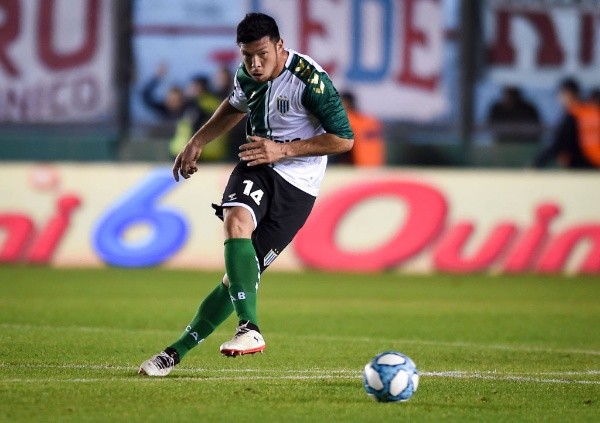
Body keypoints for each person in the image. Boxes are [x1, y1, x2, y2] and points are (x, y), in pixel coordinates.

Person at [138, 12, 354, 376]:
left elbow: (344, 140)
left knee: (239, 276)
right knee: (235, 219)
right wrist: (197, 141)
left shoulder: (311, 81)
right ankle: (249, 328)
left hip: (297, 184)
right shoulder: (246, 75)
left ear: (280, 46)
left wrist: (282, 150)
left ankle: (174, 353)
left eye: (262, 54)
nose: (255, 64)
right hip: (256, 162)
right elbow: (235, 106)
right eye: (247, 56)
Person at [533, 78, 594, 169]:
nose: (559, 98)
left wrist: (536, 164)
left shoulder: (572, 116)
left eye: (560, 94)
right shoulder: (593, 111)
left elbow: (557, 144)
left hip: (584, 167)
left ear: (568, 94)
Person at [338, 91, 385, 166]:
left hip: (359, 166)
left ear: (346, 103)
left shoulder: (346, 119)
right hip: (377, 165)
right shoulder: (371, 120)